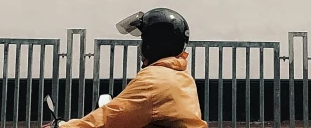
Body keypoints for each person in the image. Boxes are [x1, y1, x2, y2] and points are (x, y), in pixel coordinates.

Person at [55, 8, 206, 128]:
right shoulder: (179, 74)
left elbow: (111, 117)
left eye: (143, 40)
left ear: (153, 43)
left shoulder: (155, 79)